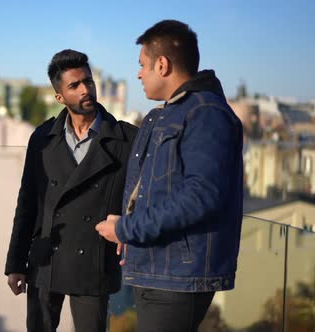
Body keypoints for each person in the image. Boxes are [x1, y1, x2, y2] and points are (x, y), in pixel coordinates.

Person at [95, 20, 244, 332]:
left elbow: (200, 197)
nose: (138, 74)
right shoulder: (160, 116)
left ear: (162, 64)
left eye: (142, 65)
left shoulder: (205, 113)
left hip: (179, 278)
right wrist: (129, 230)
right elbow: (153, 191)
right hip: (158, 269)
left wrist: (126, 228)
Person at [5, 49, 138, 332]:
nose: (85, 89)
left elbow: (141, 198)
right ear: (59, 97)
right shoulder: (42, 137)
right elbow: (27, 203)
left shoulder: (127, 139)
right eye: (74, 86)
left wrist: (129, 229)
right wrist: (15, 262)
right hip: (45, 260)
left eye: (88, 81)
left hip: (94, 261)